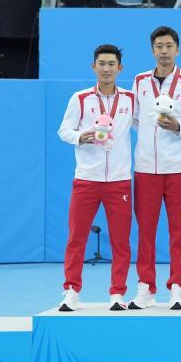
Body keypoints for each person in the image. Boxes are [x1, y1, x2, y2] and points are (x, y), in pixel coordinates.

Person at [130, 26, 181, 310]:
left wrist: (177, 127)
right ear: (152, 50)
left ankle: (177, 287)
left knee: (179, 231)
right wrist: (149, 140)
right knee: (145, 231)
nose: (164, 51)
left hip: (179, 168)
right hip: (146, 168)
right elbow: (135, 119)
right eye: (159, 46)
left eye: (169, 46)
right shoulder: (139, 81)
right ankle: (145, 288)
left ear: (178, 49)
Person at [57, 44, 134, 311]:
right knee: (76, 238)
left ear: (120, 68)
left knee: (121, 241)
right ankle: (72, 291)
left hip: (119, 181)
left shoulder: (130, 99)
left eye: (111, 64)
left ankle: (117, 293)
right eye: (101, 64)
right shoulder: (80, 99)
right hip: (87, 179)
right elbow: (63, 130)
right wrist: (81, 136)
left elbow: (147, 126)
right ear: (93, 67)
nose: (106, 69)